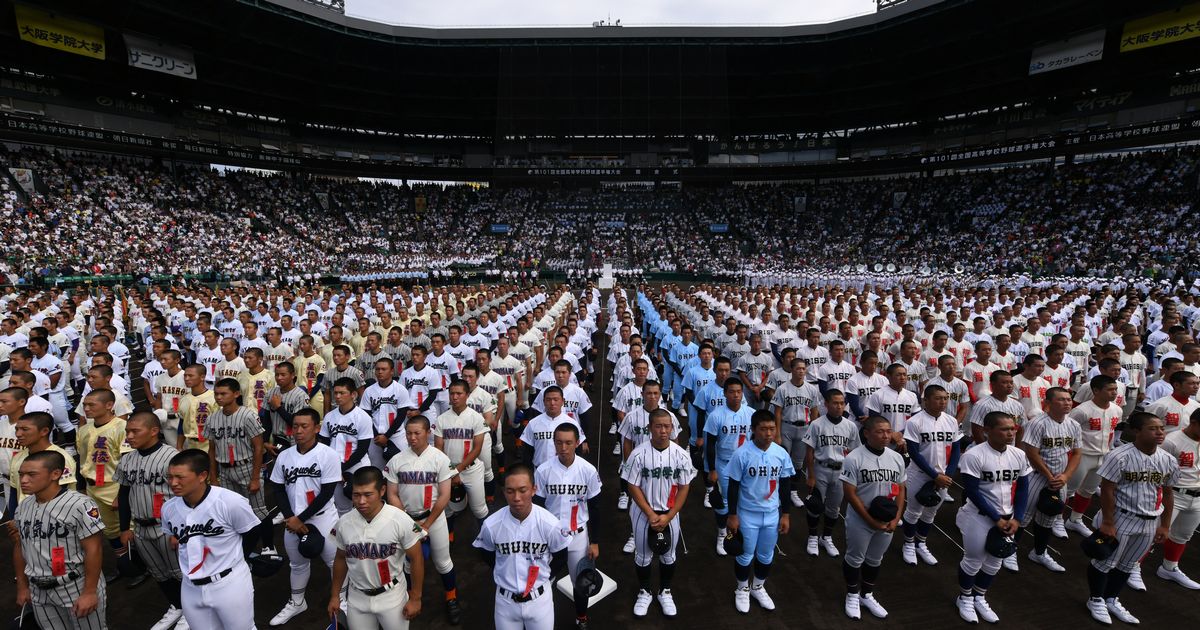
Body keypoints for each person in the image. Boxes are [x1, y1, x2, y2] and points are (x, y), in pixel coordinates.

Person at [1085, 412, 1178, 624]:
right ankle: (1096, 599)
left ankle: (1111, 599)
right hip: (1121, 516)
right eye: (1153, 428)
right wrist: (1108, 522)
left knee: (1128, 564)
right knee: (1105, 561)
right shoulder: (1119, 455)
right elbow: (1107, 489)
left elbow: (1168, 492)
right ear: (1137, 431)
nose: (1159, 432)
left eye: (1161, 428)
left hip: (1150, 520)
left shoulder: (1168, 460)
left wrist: (1165, 525)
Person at [161, 449, 262, 630]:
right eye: (170, 477)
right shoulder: (168, 509)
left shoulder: (230, 502)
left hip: (229, 584)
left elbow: (252, 531)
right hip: (190, 587)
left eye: (180, 477)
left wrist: (238, 559)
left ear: (202, 476)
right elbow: (173, 535)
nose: (173, 483)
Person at [12, 450, 107, 630]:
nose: (23, 480)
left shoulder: (81, 504)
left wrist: (89, 592)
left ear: (55, 474)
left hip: (75, 584)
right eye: (21, 475)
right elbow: (20, 546)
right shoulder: (24, 505)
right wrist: (22, 586)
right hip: (38, 590)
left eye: (31, 475)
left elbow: (94, 549)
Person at [384, 415, 462, 625]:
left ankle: (451, 597)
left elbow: (445, 495)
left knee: (443, 561)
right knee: (408, 564)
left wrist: (426, 525)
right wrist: (409, 523)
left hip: (433, 519)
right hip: (407, 520)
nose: (412, 437)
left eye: (417, 433)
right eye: (409, 433)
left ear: (428, 433)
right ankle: (411, 596)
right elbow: (391, 494)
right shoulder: (397, 460)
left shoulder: (439, 458)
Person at [954, 411, 1031, 624]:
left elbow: (1023, 488)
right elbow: (972, 491)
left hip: (1007, 516)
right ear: (987, 431)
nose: (1011, 433)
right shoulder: (974, 455)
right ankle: (965, 598)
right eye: (1004, 429)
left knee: (995, 561)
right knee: (974, 560)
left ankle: (979, 596)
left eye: (1012, 428)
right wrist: (997, 518)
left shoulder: (1018, 454)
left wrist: (1018, 518)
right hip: (979, 516)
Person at [473, 462, 569, 630]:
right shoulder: (491, 525)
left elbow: (561, 557)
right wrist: (504, 570)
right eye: (510, 491)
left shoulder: (550, 524)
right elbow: (487, 554)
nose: (516, 497)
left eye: (522, 490)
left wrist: (545, 577)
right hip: (505, 603)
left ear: (533, 489)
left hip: (540, 601)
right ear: (504, 492)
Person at [268, 408, 342, 626]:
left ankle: (343, 600)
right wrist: (292, 517)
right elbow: (278, 489)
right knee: (297, 564)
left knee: (334, 561)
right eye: (295, 426)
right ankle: (298, 601)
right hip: (293, 520)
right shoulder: (285, 456)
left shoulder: (328, 454)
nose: (298, 431)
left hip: (323, 518)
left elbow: (327, 492)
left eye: (304, 426)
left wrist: (301, 519)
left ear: (317, 428)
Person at [328, 466, 426, 630]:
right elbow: (340, 559)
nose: (361, 501)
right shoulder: (344, 523)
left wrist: (415, 597)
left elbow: (416, 558)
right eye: (356, 495)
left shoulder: (400, 519)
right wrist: (335, 595)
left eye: (367, 494)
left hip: (392, 596)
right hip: (357, 597)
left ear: (382, 491)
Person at [621, 408, 695, 618]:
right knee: (643, 555)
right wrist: (650, 514)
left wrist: (669, 516)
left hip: (670, 513)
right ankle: (645, 591)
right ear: (649, 428)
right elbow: (632, 486)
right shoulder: (638, 454)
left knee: (668, 554)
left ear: (672, 428)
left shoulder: (681, 455)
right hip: (643, 512)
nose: (663, 431)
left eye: (667, 426)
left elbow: (684, 487)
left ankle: (665, 591)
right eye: (658, 426)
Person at [115, 411, 186, 630]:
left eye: (135, 431)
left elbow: (184, 496)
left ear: (154, 431)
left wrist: (180, 530)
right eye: (128, 431)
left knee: (182, 574)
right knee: (159, 573)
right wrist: (125, 528)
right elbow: (124, 494)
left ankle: (192, 610)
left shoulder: (172, 457)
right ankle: (176, 606)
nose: (129, 436)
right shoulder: (127, 459)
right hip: (140, 527)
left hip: (167, 527)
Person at [724, 410, 794, 614]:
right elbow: (733, 486)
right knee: (745, 555)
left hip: (772, 513)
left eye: (772, 429)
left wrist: (786, 514)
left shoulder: (780, 453)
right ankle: (742, 588)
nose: (769, 433)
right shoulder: (742, 454)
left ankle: (758, 587)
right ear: (753, 430)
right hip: (747, 513)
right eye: (763, 429)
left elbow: (786, 484)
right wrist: (732, 515)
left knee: (766, 555)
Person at [533, 422, 602, 628]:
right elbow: (537, 506)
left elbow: (596, 507)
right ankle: (541, 619)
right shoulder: (543, 470)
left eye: (569, 443)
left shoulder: (588, 470)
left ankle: (581, 617)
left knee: (580, 581)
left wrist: (595, 541)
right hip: (550, 537)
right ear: (554, 443)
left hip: (578, 536)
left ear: (577, 443)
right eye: (559, 443)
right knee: (543, 581)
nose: (563, 448)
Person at [841, 415, 906, 620]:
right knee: (855, 558)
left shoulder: (896, 457)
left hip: (886, 520)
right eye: (880, 431)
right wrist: (870, 521)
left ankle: (866, 595)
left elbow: (901, 489)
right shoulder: (854, 457)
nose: (886, 435)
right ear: (867, 433)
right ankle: (852, 595)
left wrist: (895, 519)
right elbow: (850, 493)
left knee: (875, 559)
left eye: (888, 431)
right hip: (861, 519)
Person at [204, 378, 273, 557]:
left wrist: (256, 477)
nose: (218, 397)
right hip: (225, 471)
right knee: (231, 511)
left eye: (223, 393)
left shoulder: (248, 415)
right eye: (216, 394)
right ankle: (242, 548)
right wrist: (213, 477)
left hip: (247, 467)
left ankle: (269, 546)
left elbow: (259, 447)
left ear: (236, 394)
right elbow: (212, 450)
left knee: (258, 510)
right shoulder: (212, 418)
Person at [1017, 387, 1081, 571]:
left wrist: (1066, 476)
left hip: (1060, 479)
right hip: (1035, 477)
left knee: (1048, 518)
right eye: (1061, 400)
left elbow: (1077, 453)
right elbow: (1031, 453)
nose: (1067, 403)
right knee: (1023, 517)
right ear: (1049, 403)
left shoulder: (1073, 425)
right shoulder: (1038, 423)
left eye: (1069, 399)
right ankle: (1010, 551)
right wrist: (1049, 476)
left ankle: (1039, 552)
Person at [899, 385, 961, 567]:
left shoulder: (951, 421)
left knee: (930, 512)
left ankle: (921, 543)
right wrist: (935, 476)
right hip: (919, 474)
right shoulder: (915, 421)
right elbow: (914, 453)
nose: (943, 402)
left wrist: (948, 475)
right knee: (913, 511)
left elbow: (956, 449)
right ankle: (908, 544)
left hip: (942, 477)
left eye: (945, 398)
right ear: (926, 400)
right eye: (938, 398)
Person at [803, 389, 861, 558]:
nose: (839, 406)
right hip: (820, 468)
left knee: (834, 508)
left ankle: (826, 537)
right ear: (826, 404)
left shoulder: (850, 426)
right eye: (835, 403)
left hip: (841, 471)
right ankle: (813, 536)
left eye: (842, 403)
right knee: (815, 505)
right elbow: (809, 451)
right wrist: (811, 476)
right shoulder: (816, 424)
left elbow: (854, 452)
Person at [1064, 375, 1123, 537]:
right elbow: (1068, 431)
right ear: (1096, 390)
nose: (1114, 393)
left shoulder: (1117, 410)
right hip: (1082, 456)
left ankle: (1075, 519)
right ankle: (1055, 519)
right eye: (1110, 389)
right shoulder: (1082, 410)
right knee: (1068, 490)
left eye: (1115, 389)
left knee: (1088, 490)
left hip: (1103, 456)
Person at [704, 378, 754, 556]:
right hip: (724, 463)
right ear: (724, 393)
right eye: (731, 392)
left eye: (739, 392)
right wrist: (712, 469)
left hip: (747, 466)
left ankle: (741, 532)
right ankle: (722, 533)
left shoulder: (750, 413)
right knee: (724, 502)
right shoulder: (716, 415)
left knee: (745, 499)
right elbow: (710, 444)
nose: (735, 395)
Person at [1156, 407, 1200, 589]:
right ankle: (1132, 567)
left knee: (1182, 535)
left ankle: (1169, 567)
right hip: (1173, 493)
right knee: (1154, 533)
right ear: (1195, 423)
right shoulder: (1172, 441)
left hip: (1197, 496)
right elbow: (1156, 468)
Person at [319, 377, 375, 515]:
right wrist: (333, 467)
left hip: (357, 466)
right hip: (335, 466)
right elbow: (324, 444)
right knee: (342, 507)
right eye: (335, 392)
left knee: (364, 505)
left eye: (342, 393)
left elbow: (362, 449)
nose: (337, 396)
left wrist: (341, 468)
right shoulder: (329, 416)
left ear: (353, 395)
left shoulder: (363, 417)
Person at [770, 359, 821, 508]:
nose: (801, 371)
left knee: (798, 463)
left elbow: (814, 412)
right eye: (798, 368)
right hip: (787, 427)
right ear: (792, 369)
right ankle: (779, 492)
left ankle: (793, 491)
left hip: (804, 428)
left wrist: (813, 432)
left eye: (803, 369)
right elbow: (777, 413)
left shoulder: (811, 389)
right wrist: (777, 433)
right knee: (782, 461)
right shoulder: (783, 388)